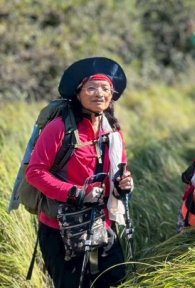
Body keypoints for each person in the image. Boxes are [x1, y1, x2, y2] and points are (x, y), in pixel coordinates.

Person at [26, 57, 133, 288]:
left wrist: (123, 184)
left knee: (116, 279)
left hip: (102, 222)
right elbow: (35, 172)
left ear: (112, 95)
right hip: (61, 227)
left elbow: (120, 169)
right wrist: (77, 193)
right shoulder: (59, 128)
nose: (99, 94)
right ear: (78, 93)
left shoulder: (113, 131)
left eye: (105, 88)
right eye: (91, 88)